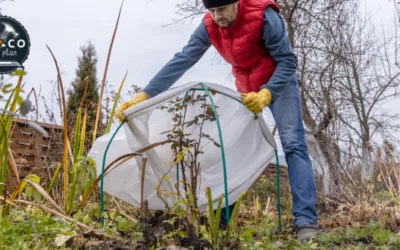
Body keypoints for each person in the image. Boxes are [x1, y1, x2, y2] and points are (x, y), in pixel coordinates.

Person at [116, 0, 319, 241]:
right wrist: (146, 95)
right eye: (211, 10)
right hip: (246, 87)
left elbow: (288, 61)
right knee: (236, 150)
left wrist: (268, 93)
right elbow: (183, 59)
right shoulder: (209, 25)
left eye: (221, 9)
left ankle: (305, 220)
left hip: (279, 83)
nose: (217, 16)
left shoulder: (264, 16)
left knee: (293, 143)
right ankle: (224, 218)